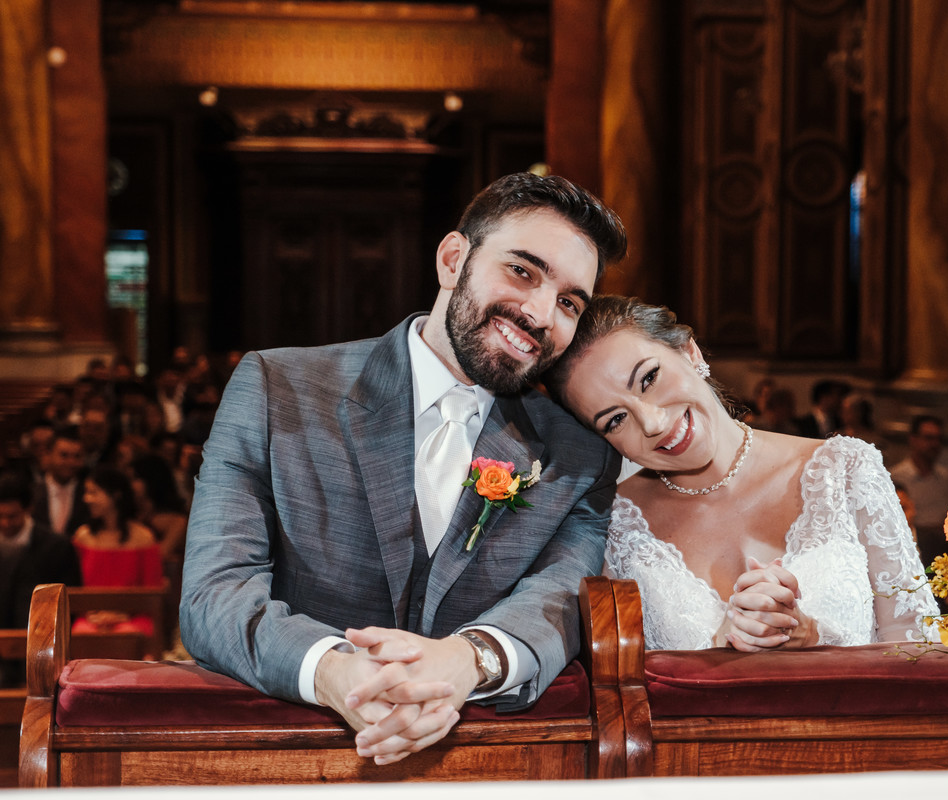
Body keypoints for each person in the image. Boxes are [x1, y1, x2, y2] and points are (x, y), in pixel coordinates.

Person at [180, 172, 627, 765]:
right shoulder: (276, 389)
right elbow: (214, 594)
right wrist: (335, 672)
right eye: (522, 271)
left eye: (569, 302)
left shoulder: (581, 454)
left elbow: (560, 599)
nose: (541, 313)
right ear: (452, 260)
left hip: (488, 765)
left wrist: (466, 661)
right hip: (290, 756)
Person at [543, 296, 936, 652]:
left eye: (649, 378)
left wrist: (814, 637)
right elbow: (619, 684)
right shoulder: (611, 527)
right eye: (615, 420)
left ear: (690, 352)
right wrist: (721, 647)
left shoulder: (846, 469)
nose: (653, 423)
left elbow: (920, 651)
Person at [0, 474, 81, 686]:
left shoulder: (57, 547)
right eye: (0, 516)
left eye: (12, 516)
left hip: (43, 651)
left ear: (28, 509)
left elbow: (70, 604)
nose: (5, 523)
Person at [71, 465, 163, 640]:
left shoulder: (144, 537)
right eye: (87, 492)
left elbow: (152, 591)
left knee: (131, 634)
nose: (87, 499)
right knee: (81, 633)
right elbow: (74, 587)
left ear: (116, 495)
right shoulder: (83, 537)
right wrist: (94, 614)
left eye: (94, 492)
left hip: (133, 618)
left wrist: (121, 615)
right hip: (91, 618)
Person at [888, 415, 948, 564]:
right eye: (928, 438)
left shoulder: (946, 477)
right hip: (910, 546)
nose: (934, 444)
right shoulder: (896, 476)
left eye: (938, 439)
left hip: (944, 548)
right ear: (913, 439)